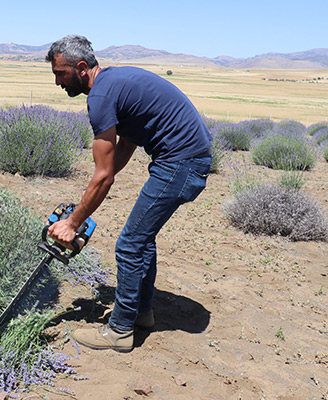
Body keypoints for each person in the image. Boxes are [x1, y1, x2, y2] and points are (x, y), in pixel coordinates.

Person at [45, 35, 212, 352]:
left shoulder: (101, 97)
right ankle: (142, 314)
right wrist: (92, 195)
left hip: (181, 163)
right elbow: (128, 144)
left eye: (60, 73)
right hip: (186, 160)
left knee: (130, 243)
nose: (57, 82)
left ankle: (120, 331)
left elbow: (104, 174)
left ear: (81, 68)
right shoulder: (113, 83)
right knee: (141, 239)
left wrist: (72, 221)